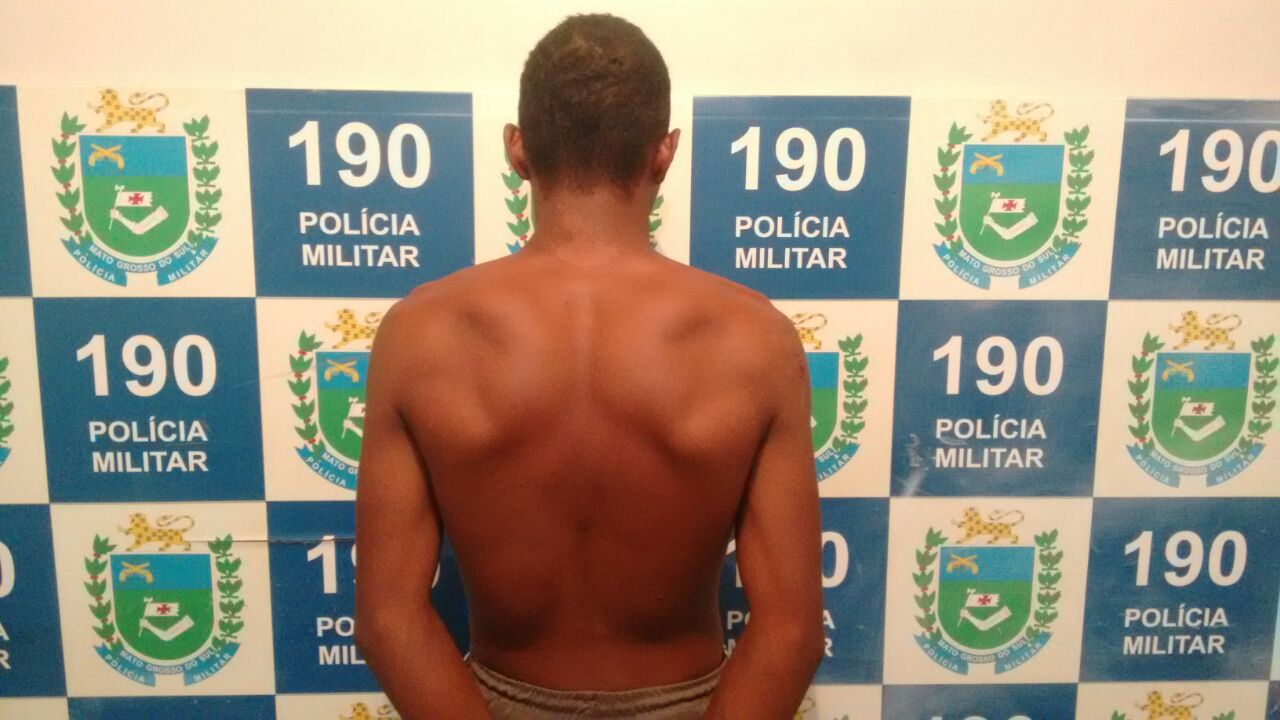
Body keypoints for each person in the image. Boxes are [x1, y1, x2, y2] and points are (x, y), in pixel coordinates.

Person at [354, 13, 824, 720]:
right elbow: (790, 630)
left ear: (517, 148)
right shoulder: (753, 339)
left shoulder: (421, 333)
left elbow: (388, 618)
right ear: (664, 153)